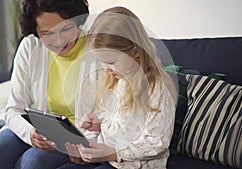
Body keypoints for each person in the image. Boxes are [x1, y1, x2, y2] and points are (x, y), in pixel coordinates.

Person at [0, 0, 95, 168]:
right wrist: (29, 133)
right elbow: (14, 110)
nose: (59, 40)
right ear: (36, 31)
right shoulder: (30, 46)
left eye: (66, 29)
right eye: (47, 33)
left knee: (32, 162)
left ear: (77, 21)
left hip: (76, 137)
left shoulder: (96, 50)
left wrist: (85, 145)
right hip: (34, 128)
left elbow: (108, 116)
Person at [64, 6, 177, 169]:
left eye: (111, 62)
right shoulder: (117, 80)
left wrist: (113, 153)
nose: (106, 69)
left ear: (135, 51)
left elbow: (157, 142)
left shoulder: (155, 88)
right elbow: (124, 124)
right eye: (101, 62)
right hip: (112, 162)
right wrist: (100, 125)